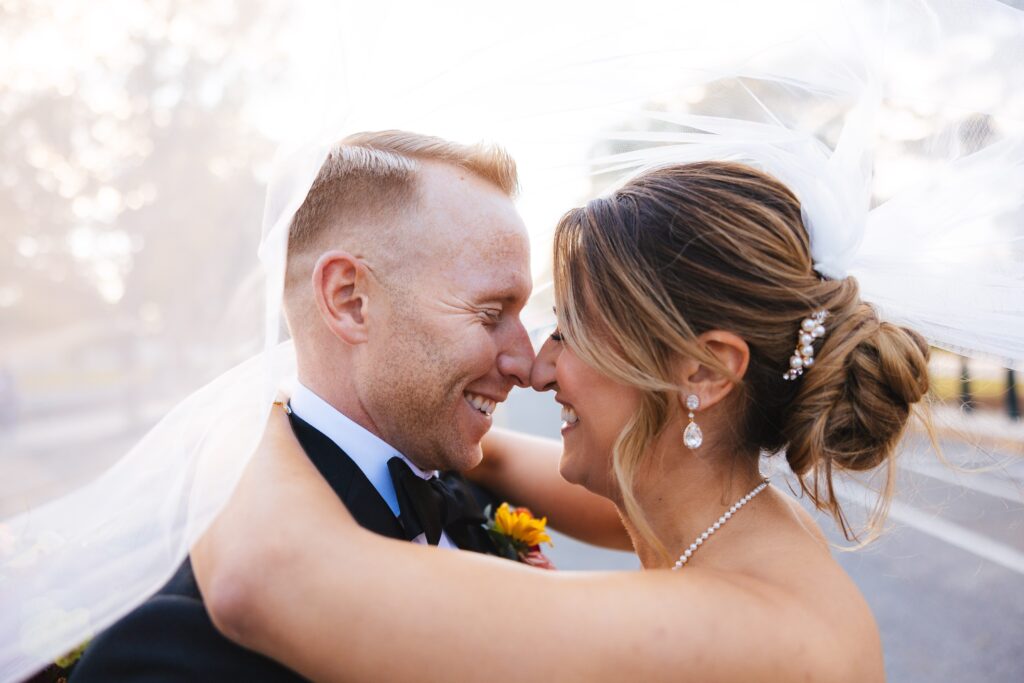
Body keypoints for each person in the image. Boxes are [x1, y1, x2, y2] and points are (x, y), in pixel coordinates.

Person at [191, 161, 934, 682]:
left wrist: (249, 401)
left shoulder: (757, 632)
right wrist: (435, 428)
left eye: (571, 330)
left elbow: (266, 579)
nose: (539, 366)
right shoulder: (727, 523)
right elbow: (529, 472)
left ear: (703, 372)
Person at [71, 130, 623, 681]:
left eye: (520, 314)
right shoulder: (175, 646)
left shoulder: (475, 493)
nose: (527, 364)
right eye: (488, 313)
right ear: (350, 301)